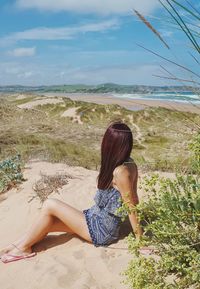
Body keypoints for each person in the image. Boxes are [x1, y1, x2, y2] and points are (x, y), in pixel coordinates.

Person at [0, 121, 143, 263]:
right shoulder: (129, 163)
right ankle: (18, 246)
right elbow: (135, 198)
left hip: (102, 230)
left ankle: (21, 248)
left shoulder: (120, 172)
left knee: (50, 204)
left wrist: (140, 240)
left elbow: (131, 206)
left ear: (110, 145)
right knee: (48, 221)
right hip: (94, 218)